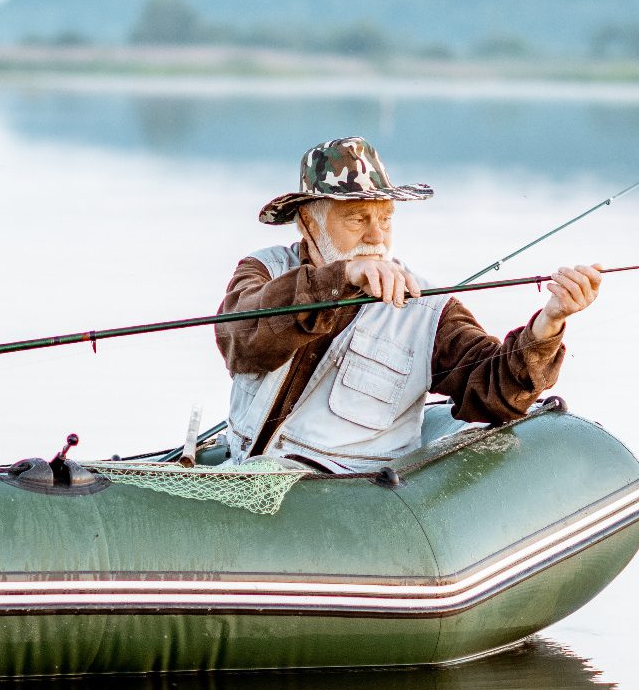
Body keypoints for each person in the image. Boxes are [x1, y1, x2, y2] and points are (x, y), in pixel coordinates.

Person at [215, 136, 604, 473]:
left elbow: (494, 391)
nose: (376, 235)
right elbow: (240, 342)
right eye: (356, 219)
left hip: (354, 501)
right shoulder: (262, 270)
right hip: (247, 475)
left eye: (385, 218)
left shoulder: (429, 308)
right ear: (308, 222)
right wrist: (342, 276)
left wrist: (550, 322)